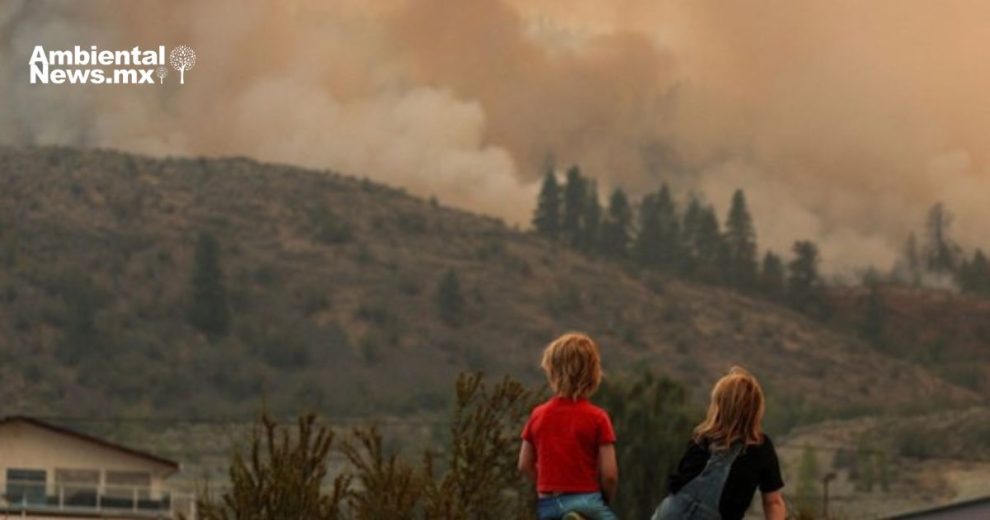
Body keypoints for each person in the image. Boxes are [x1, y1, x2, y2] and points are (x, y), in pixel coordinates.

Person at [656, 366, 786, 520]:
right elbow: (773, 502)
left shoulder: (701, 438)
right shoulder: (760, 447)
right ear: (756, 409)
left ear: (719, 405)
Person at [518, 333, 619, 520]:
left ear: (551, 371)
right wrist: (605, 499)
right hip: (586, 499)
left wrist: (544, 484)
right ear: (593, 374)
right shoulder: (598, 417)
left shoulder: (538, 415)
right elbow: (610, 475)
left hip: (549, 501)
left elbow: (524, 465)